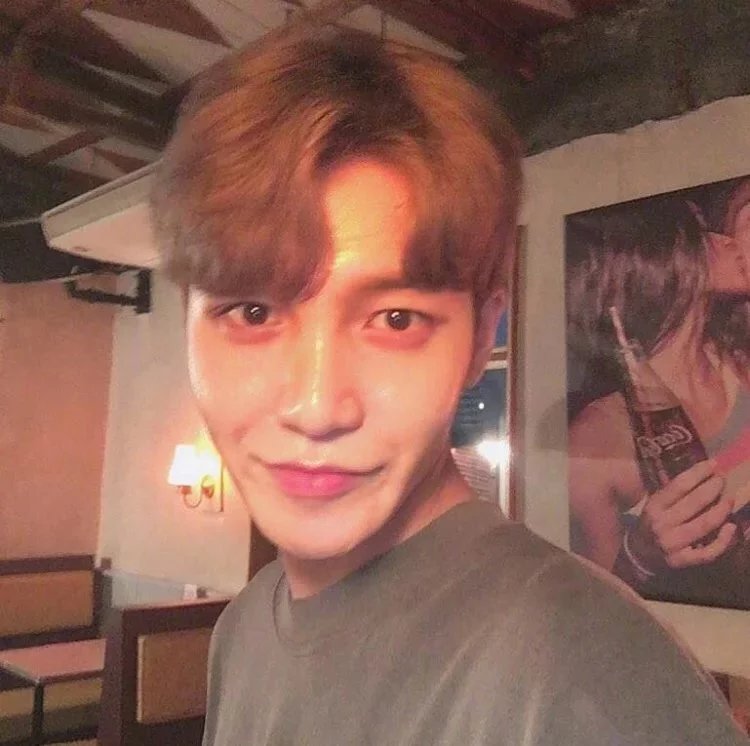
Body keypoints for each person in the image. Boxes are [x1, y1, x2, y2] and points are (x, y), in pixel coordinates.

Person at [151, 28, 746, 745]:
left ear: (478, 341)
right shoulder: (242, 630)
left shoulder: (586, 676)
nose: (316, 406)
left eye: (396, 319)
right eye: (252, 312)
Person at [568, 195, 750, 608]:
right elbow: (594, 607)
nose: (726, 240)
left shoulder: (739, 358)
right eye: (703, 235)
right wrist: (641, 555)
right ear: (660, 263)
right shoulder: (594, 441)